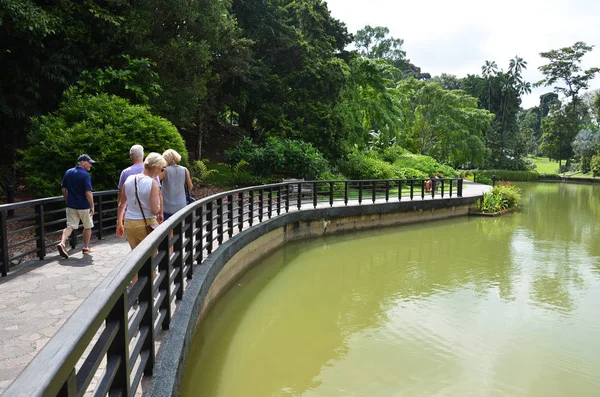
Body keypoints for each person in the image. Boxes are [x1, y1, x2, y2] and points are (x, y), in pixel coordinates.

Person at [116, 153, 167, 283]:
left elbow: (122, 205)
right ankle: (149, 290)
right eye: (161, 168)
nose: (161, 172)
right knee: (150, 258)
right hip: (147, 224)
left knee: (135, 256)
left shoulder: (129, 180)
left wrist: (119, 223)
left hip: (129, 223)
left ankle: (135, 286)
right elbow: (154, 210)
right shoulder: (152, 184)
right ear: (155, 167)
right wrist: (159, 206)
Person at [57, 154, 96, 258]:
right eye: (89, 163)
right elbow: (88, 192)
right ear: (82, 162)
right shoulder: (85, 175)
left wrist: (66, 199)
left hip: (71, 205)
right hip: (84, 206)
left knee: (70, 226)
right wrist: (92, 206)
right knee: (87, 226)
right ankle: (86, 247)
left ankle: (62, 242)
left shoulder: (68, 172)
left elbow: (64, 189)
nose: (91, 165)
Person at [160, 149, 193, 220]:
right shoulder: (184, 170)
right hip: (181, 205)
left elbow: (155, 183)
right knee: (179, 228)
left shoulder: (165, 171)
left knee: (167, 228)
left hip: (167, 206)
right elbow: (190, 186)